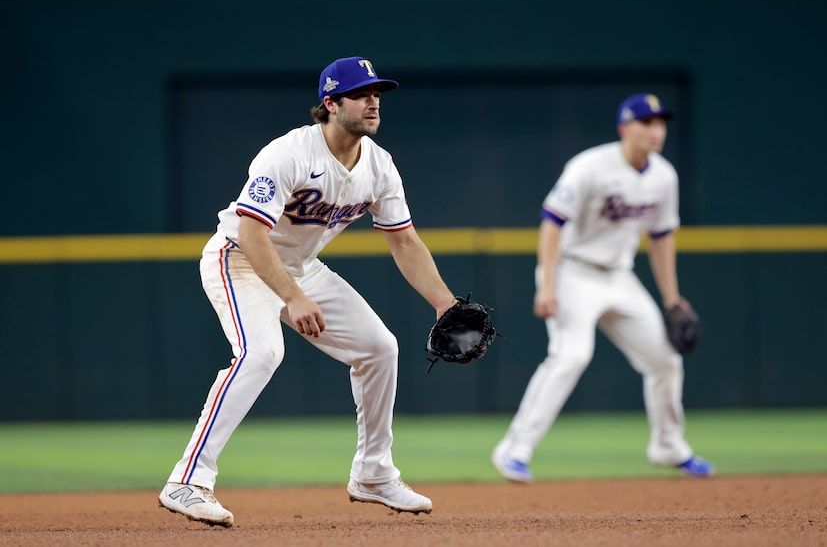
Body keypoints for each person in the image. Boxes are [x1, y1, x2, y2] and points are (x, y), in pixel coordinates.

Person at [159, 56, 458, 527]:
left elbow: (404, 240)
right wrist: (292, 297)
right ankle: (188, 480)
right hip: (238, 258)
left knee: (380, 349)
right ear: (331, 103)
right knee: (260, 354)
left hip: (299, 267)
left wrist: (445, 303)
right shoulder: (289, 154)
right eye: (362, 94)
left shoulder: (379, 167)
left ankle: (374, 475)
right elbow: (253, 234)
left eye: (377, 93)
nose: (374, 102)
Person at [491, 93, 714, 483]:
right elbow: (551, 222)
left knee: (665, 359)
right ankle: (514, 450)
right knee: (571, 356)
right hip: (573, 272)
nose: (655, 130)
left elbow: (662, 238)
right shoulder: (590, 166)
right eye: (646, 122)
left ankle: (668, 446)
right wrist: (546, 283)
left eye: (660, 122)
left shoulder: (664, 176)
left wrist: (671, 298)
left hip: (619, 276)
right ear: (624, 128)